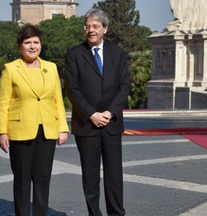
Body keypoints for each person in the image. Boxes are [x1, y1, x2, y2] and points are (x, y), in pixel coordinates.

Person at [0, 24, 69, 216]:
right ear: (20, 46)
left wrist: (63, 128)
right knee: (22, 179)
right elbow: (4, 103)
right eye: (27, 42)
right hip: (20, 131)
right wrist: (2, 132)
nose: (32, 46)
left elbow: (57, 100)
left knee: (43, 178)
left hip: (47, 129)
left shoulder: (51, 68)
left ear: (41, 44)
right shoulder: (10, 69)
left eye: (36, 42)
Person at [64, 8, 130, 216]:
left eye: (95, 26)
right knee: (90, 177)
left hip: (111, 124)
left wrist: (110, 112)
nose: (90, 30)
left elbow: (124, 86)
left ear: (105, 28)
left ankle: (116, 213)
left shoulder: (117, 53)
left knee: (114, 175)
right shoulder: (75, 54)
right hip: (87, 124)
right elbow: (72, 89)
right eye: (87, 26)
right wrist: (92, 114)